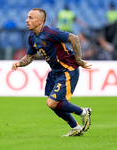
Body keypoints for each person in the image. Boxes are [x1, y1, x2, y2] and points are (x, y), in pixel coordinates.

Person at [11, 8, 92, 137]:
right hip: (55, 72)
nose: (27, 20)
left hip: (68, 69)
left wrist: (78, 59)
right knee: (52, 104)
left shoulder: (51, 32)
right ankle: (75, 127)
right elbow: (29, 57)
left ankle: (83, 112)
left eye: (31, 18)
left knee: (52, 102)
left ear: (40, 21)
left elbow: (74, 37)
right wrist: (19, 63)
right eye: (27, 17)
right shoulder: (32, 37)